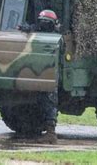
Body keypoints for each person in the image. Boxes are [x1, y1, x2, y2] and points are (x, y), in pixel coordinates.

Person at [35, 9, 59, 144]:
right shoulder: (44, 36)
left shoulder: (54, 39)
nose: (43, 25)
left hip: (51, 76)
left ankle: (51, 133)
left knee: (49, 100)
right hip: (44, 74)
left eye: (46, 23)